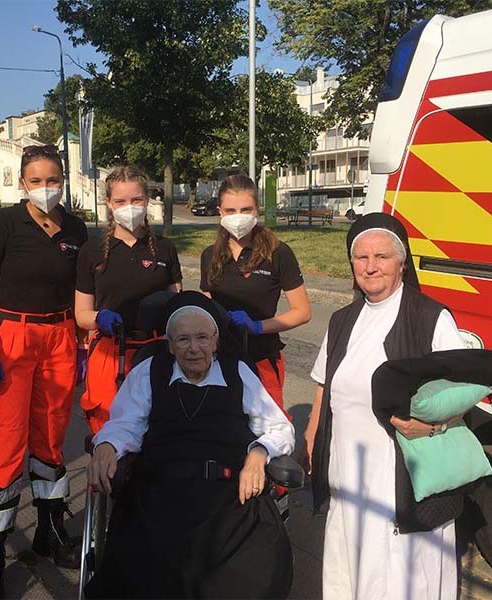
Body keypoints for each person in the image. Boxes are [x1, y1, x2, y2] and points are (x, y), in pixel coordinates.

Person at [86, 291, 296, 599]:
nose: (194, 348)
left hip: (230, 499)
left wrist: (259, 452)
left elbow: (279, 427)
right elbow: (125, 424)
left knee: (254, 575)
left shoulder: (237, 373)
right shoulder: (149, 371)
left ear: (215, 341)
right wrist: (106, 445)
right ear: (170, 345)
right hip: (158, 498)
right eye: (183, 340)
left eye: (202, 338)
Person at [302, 213, 467, 600]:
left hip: (402, 481)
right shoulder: (342, 320)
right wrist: (310, 437)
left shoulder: (430, 318)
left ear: (402, 261)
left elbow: (463, 395)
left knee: (397, 575)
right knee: (352, 563)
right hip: (349, 471)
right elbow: (326, 386)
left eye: (382, 256)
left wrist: (431, 428)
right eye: (361, 258)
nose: (371, 266)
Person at [0, 144, 88, 597]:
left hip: (59, 337)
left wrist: (80, 343)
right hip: (12, 340)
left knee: (51, 441)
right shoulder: (2, 224)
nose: (45, 188)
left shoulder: (74, 228)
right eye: (36, 181)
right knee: (5, 445)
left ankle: (50, 533)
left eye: (52, 180)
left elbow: (82, 293)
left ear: (63, 179)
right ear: (22, 183)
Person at [75, 165, 182, 433]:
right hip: (111, 352)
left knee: (158, 429)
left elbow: (177, 305)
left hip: (157, 350)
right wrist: (100, 317)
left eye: (136, 200)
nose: (129, 207)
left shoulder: (165, 248)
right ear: (109, 204)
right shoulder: (92, 251)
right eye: (121, 201)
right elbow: (81, 314)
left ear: (146, 201)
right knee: (107, 429)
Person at [200, 174, 311, 415]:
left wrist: (258, 327)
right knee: (224, 432)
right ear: (220, 211)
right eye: (230, 210)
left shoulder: (278, 253)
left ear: (256, 210)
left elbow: (302, 312)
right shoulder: (209, 255)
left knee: (267, 433)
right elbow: (207, 306)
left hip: (262, 359)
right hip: (220, 360)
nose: (238, 216)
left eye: (245, 209)